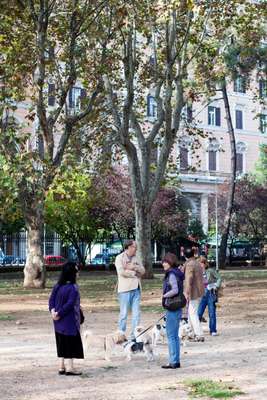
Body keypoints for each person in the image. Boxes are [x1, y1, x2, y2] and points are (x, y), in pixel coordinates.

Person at [49, 262, 84, 375]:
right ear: (72, 273)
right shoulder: (73, 288)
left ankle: (61, 366)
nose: (78, 273)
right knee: (70, 343)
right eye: (76, 270)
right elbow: (70, 304)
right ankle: (70, 368)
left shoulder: (57, 286)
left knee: (61, 342)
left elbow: (51, 300)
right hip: (69, 320)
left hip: (57, 321)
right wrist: (59, 313)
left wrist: (53, 311)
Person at [115, 240, 145, 339]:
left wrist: (133, 267)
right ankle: (120, 336)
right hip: (124, 290)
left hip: (136, 289)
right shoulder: (119, 258)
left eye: (136, 247)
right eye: (134, 246)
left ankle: (134, 336)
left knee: (136, 314)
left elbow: (143, 271)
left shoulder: (136, 258)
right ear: (128, 247)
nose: (135, 248)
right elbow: (121, 272)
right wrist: (134, 273)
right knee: (123, 314)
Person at [161, 252, 184, 369]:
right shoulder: (177, 273)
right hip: (177, 307)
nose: (163, 264)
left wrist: (165, 295)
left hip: (172, 307)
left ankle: (173, 361)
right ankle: (176, 360)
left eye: (165, 262)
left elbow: (174, 290)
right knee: (174, 335)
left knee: (171, 336)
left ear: (169, 262)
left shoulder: (171, 274)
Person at [184, 247, 205, 342]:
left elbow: (189, 279)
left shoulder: (189, 265)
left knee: (192, 313)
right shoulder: (197, 263)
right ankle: (191, 333)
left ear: (184, 256)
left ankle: (199, 334)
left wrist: (186, 292)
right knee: (190, 313)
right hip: (200, 291)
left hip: (193, 292)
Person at [198, 256, 222, 336]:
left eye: (202, 263)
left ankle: (213, 330)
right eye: (199, 263)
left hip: (211, 293)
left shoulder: (210, 271)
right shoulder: (198, 273)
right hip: (202, 295)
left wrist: (216, 286)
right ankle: (196, 330)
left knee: (212, 313)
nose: (200, 265)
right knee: (198, 313)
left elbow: (219, 278)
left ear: (205, 264)